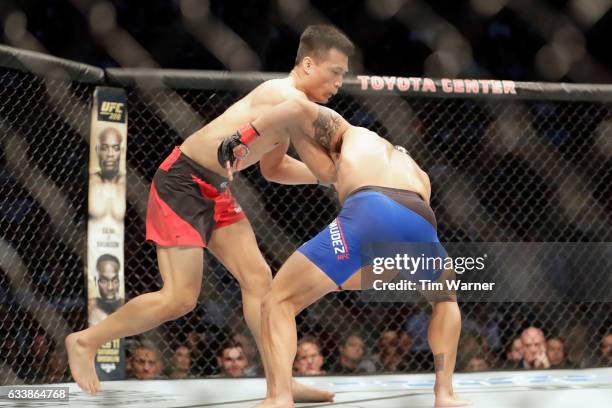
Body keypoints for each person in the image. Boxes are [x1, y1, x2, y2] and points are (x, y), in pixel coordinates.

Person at [66, 25, 354, 401]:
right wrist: (341, 168)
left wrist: (328, 181)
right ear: (309, 64)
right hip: (181, 184)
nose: (339, 84)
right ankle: (86, 341)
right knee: (180, 298)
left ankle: (280, 381)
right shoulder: (284, 97)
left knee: (259, 279)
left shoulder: (290, 110)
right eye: (335, 73)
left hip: (216, 190)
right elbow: (305, 129)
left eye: (344, 76)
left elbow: (275, 169)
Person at [219, 98, 468, 407]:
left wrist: (246, 136)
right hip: (420, 221)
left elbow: (295, 109)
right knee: (445, 299)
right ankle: (445, 393)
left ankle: (279, 397)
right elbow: (286, 171)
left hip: (369, 210)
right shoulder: (411, 168)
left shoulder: (350, 132)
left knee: (277, 301)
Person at [89, 127, 125, 222]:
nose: (110, 154)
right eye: (104, 148)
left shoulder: (128, 183)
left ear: (121, 151)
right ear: (97, 150)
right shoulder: (89, 182)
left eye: (115, 148)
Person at [89, 254, 123, 326]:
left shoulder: (125, 305)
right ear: (96, 281)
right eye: (104, 281)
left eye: (115, 280)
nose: (110, 287)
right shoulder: (91, 306)